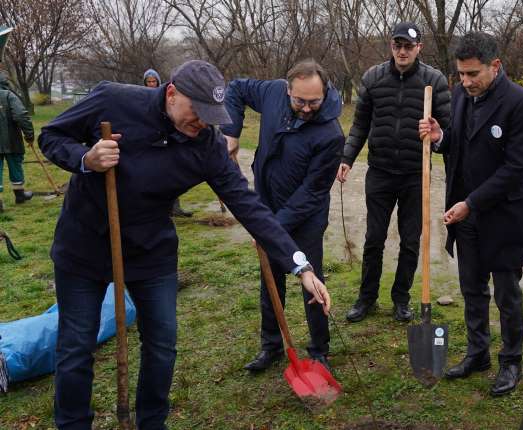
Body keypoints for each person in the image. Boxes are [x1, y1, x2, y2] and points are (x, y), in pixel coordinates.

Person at [39, 60, 331, 429]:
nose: (202, 124)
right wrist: (85, 158)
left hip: (151, 249)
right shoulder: (112, 101)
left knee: (162, 346)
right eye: (197, 112)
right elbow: (50, 136)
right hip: (87, 241)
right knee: (76, 348)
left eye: (211, 117)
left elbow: (249, 206)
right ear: (172, 93)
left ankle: (151, 422)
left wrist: (300, 266)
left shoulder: (206, 144)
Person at [419, 31, 523, 397]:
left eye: (473, 74)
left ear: (495, 66)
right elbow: (458, 143)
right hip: (464, 213)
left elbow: (515, 167)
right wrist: (440, 137)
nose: (466, 82)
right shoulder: (460, 96)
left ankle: (511, 361)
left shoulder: (520, 102)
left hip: (502, 215)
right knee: (471, 288)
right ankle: (478, 353)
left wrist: (472, 202)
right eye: (461, 75)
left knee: (506, 293)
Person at [222, 60, 343, 371]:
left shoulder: (331, 135)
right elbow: (234, 88)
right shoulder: (273, 93)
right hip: (267, 203)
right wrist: (231, 132)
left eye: (313, 102)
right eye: (299, 100)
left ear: (324, 91)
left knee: (310, 280)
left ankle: (319, 350)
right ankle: (271, 345)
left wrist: (271, 230)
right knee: (270, 278)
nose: (305, 108)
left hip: (306, 217)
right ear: (287, 89)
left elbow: (311, 193)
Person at [339, 22, 451, 323]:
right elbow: (360, 124)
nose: (402, 51)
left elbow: (449, 129)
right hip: (381, 172)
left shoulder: (434, 80)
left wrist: (437, 134)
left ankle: (401, 298)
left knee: (410, 240)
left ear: (419, 48)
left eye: (408, 46)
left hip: (416, 175)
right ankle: (366, 298)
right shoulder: (373, 78)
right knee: (374, 237)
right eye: (397, 45)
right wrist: (347, 157)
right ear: (391, 46)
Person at [143, 68, 192, 218]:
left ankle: (175, 207)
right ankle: (158, 209)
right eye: (149, 82)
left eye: (153, 81)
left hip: (166, 139)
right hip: (150, 141)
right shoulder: (142, 97)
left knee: (171, 173)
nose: (151, 84)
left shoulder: (166, 97)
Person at [0, 73, 35, 212]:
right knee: (15, 166)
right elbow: (21, 115)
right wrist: (29, 135)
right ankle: (19, 195)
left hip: (10, 140)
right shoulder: (9, 95)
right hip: (12, 140)